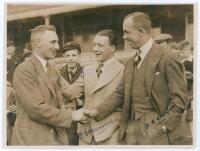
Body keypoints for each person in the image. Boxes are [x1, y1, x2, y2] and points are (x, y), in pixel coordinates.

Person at [83, 12, 192, 145]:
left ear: (141, 31)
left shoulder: (168, 57)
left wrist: (162, 126)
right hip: (131, 133)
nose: (123, 37)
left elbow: (180, 99)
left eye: (126, 32)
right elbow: (120, 93)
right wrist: (97, 111)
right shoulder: (130, 62)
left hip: (157, 134)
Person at [11, 25, 86, 145]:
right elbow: (35, 109)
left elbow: (72, 92)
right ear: (38, 43)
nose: (57, 46)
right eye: (53, 42)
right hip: (31, 141)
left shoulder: (52, 70)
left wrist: (94, 74)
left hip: (55, 139)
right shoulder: (24, 70)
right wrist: (71, 115)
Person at [78, 29, 124, 145]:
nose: (95, 49)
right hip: (86, 134)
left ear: (112, 48)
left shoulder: (123, 70)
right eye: (94, 45)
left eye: (100, 45)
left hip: (110, 133)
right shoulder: (87, 70)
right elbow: (73, 91)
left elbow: (121, 99)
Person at [60, 41, 84, 145]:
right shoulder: (58, 73)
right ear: (64, 57)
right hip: (64, 113)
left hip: (80, 113)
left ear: (79, 56)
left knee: (77, 140)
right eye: (67, 56)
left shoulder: (85, 72)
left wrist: (80, 101)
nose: (71, 59)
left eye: (74, 55)